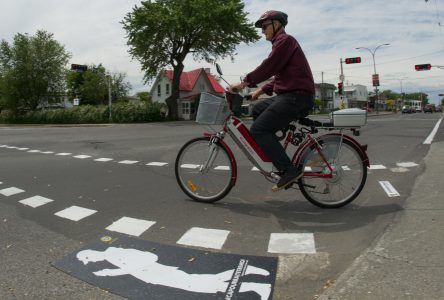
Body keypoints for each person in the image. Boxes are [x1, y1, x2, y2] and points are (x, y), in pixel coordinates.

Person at [230, 10, 315, 191]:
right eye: (261, 28)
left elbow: (269, 66)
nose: (262, 31)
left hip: (297, 97)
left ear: (278, 24)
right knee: (258, 110)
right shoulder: (282, 45)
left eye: (265, 26)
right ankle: (272, 146)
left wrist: (244, 83)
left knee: (259, 130)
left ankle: (288, 170)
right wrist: (259, 91)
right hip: (290, 96)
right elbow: (280, 77)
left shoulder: (285, 41)